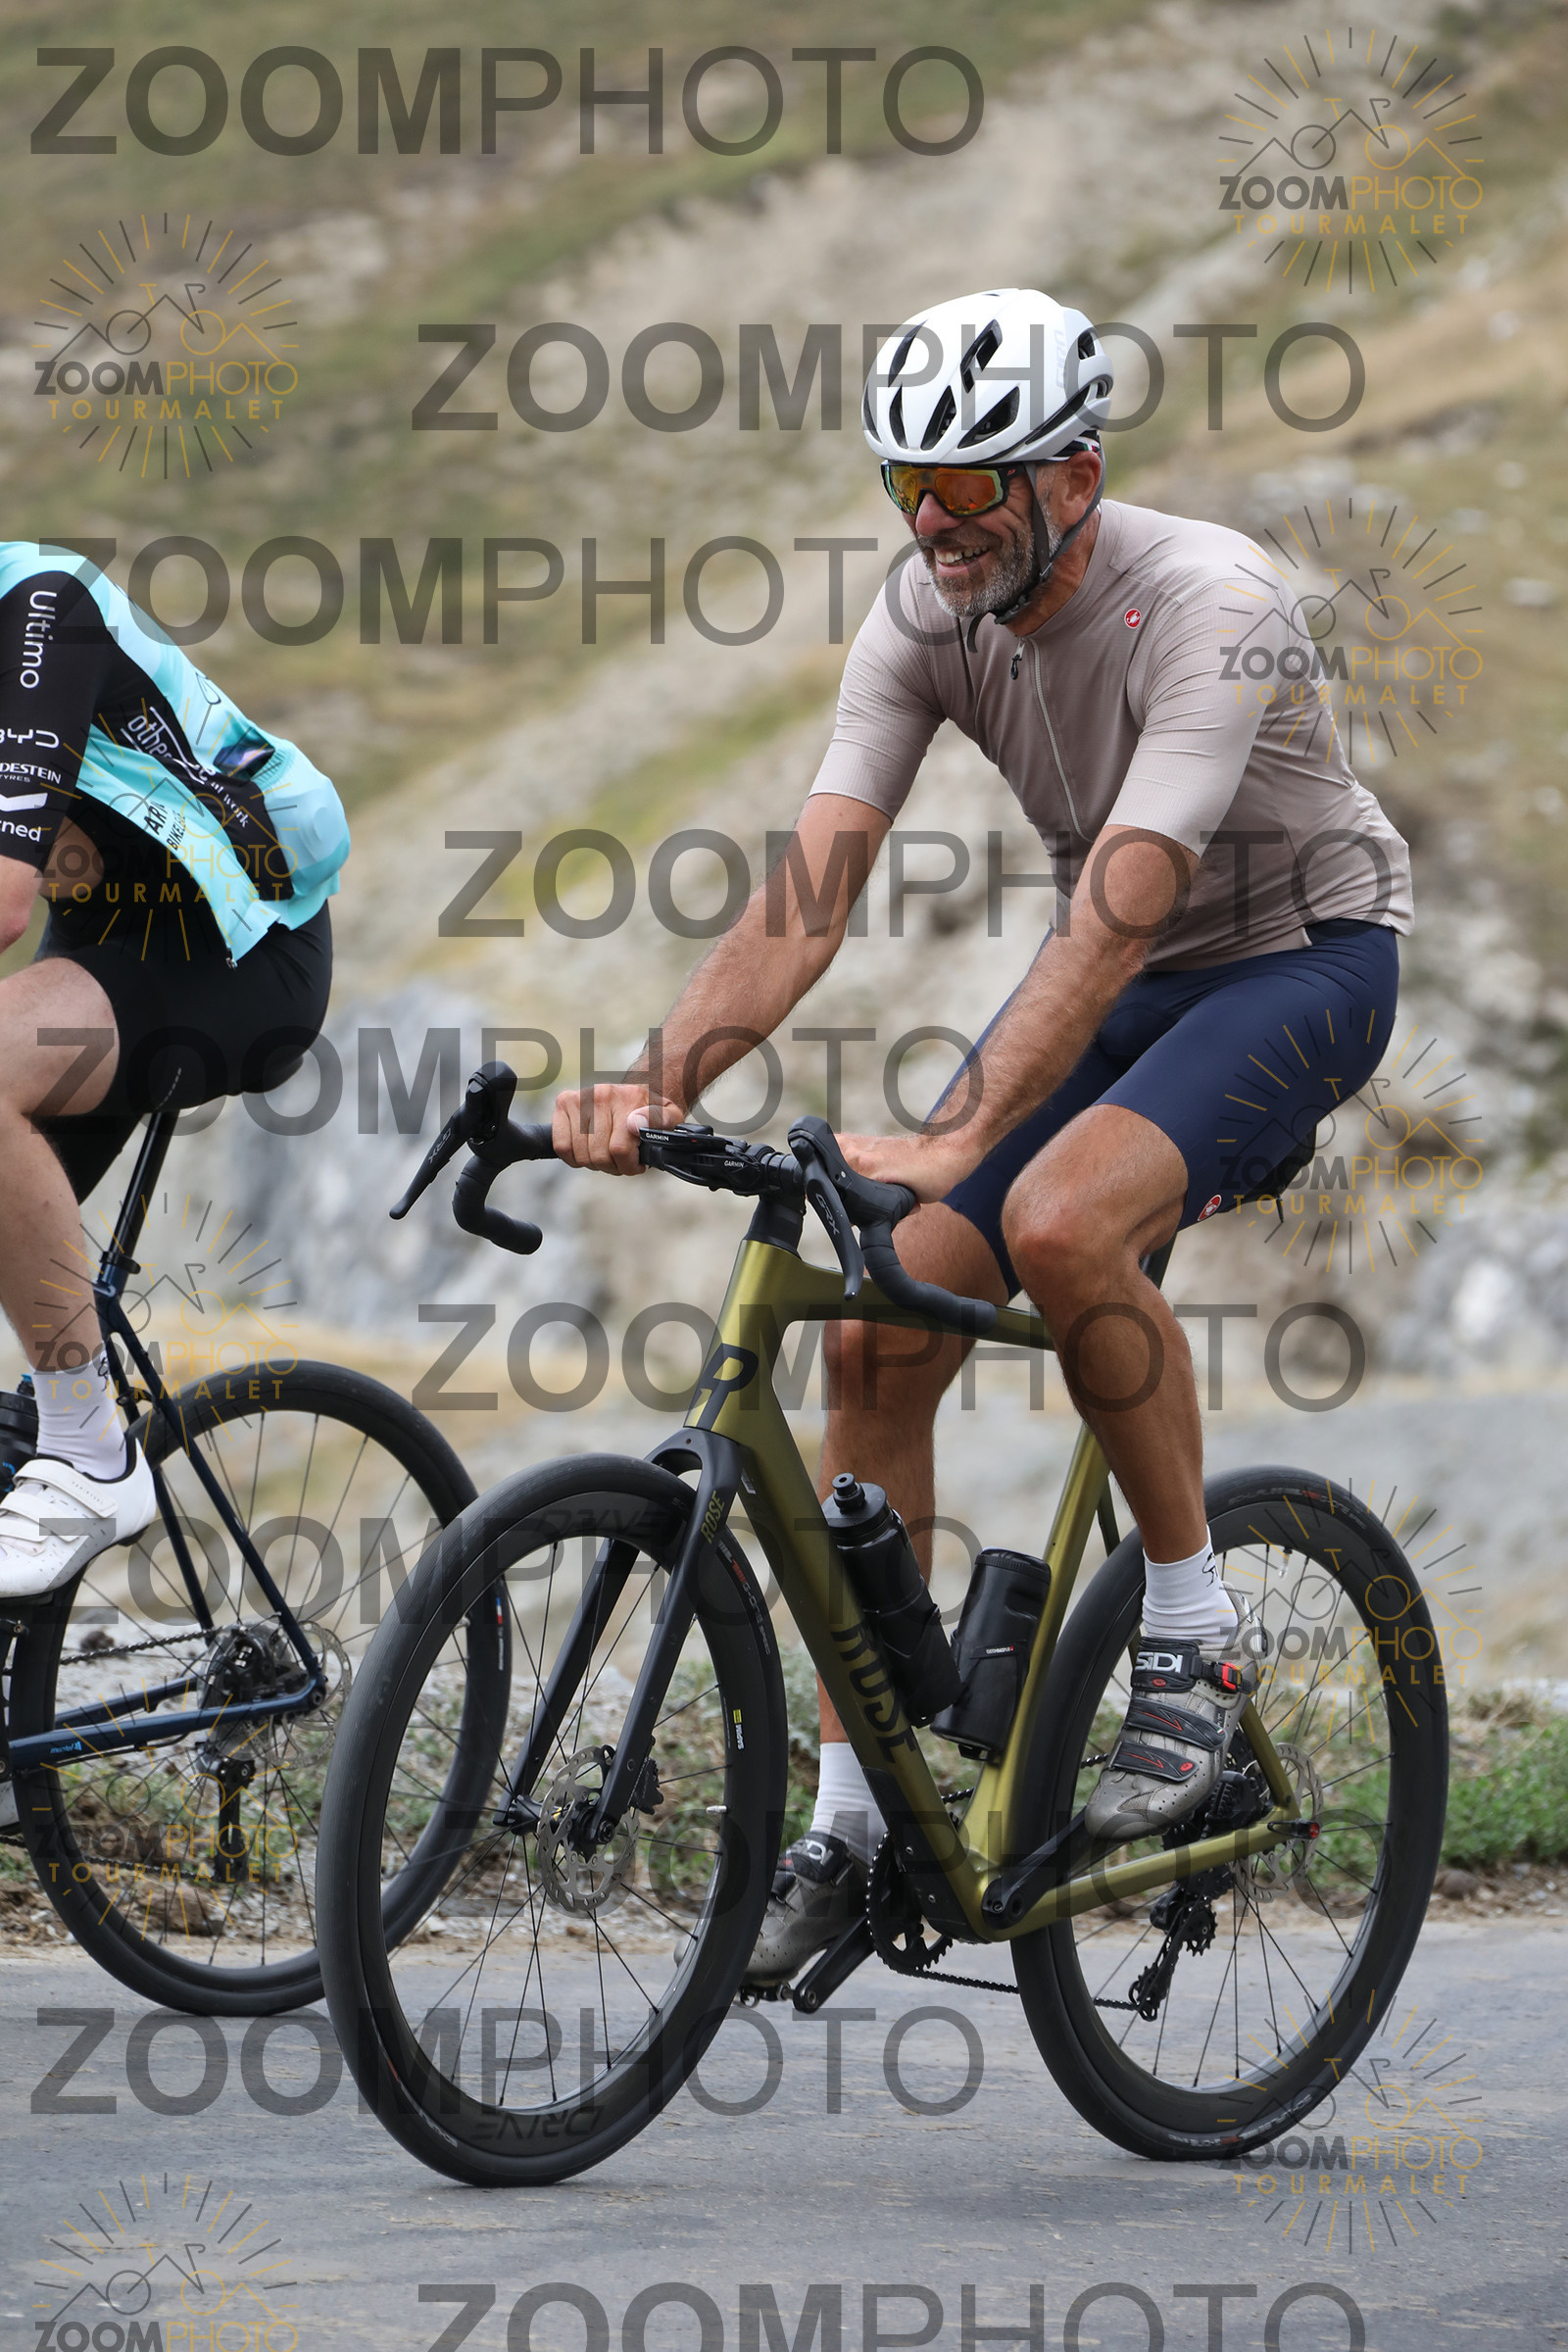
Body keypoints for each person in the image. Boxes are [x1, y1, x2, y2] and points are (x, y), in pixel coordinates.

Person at [552, 287, 1410, 1984]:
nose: (933, 525)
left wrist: (959, 1143)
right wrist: (659, 1081)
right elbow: (812, 893)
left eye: (967, 489)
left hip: (1302, 966)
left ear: (1074, 477)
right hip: (1132, 982)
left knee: (1061, 1220)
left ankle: (1191, 1644)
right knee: (875, 1326)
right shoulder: (924, 617)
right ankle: (857, 1822)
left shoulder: (1213, 606)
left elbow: (1122, 904)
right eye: (906, 488)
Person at [0, 543, 349, 1600]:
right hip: (101, 943)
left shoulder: (41, 610)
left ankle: (88, 1448)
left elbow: (3, 904)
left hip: (236, 956)